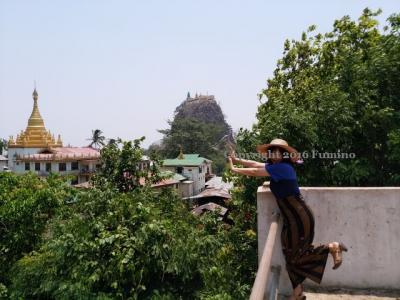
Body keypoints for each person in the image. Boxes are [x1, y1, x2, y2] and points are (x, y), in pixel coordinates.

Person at [228, 138, 347, 300]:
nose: (275, 154)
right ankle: (297, 293)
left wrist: (235, 170)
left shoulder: (283, 168)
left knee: (296, 255)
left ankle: (331, 247)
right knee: (289, 254)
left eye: (279, 152)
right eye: (273, 152)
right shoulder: (275, 167)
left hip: (299, 217)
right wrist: (237, 160)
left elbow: (255, 172)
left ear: (284, 155)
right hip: (291, 219)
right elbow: (256, 165)